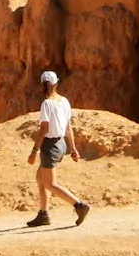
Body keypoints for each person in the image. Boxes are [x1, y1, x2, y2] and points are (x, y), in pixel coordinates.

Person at [25, 71, 91, 227]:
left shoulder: (46, 104)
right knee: (40, 178)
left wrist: (34, 151)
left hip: (50, 146)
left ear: (42, 85)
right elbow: (68, 128)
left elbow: (44, 129)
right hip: (61, 144)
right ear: (56, 83)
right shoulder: (64, 102)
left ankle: (79, 205)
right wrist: (73, 149)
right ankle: (43, 214)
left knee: (50, 184)